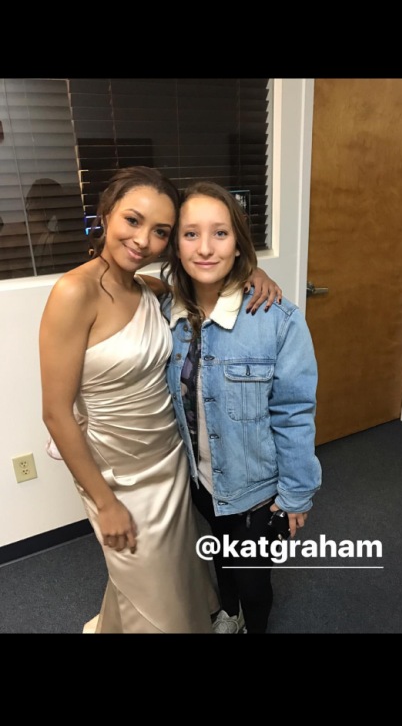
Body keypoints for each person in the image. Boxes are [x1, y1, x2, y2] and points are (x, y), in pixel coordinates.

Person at [39, 166, 282, 634]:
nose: (142, 240)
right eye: (132, 220)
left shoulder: (149, 289)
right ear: (106, 214)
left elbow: (204, 286)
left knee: (168, 575)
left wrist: (252, 271)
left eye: (160, 232)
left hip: (168, 459)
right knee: (144, 575)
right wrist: (105, 503)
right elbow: (55, 413)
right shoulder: (73, 292)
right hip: (117, 472)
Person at [160, 180, 322, 634]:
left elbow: (294, 413)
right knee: (221, 553)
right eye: (190, 234)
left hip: (256, 491)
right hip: (202, 481)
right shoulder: (167, 314)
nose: (205, 248)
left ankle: (252, 622)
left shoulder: (277, 320)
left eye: (220, 233)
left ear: (238, 243)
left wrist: (296, 493)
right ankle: (228, 614)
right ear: (176, 244)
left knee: (253, 582)